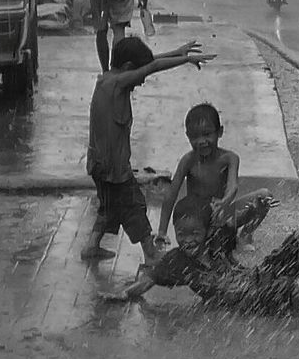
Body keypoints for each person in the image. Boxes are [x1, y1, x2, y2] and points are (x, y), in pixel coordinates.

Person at [115, 170, 299, 316]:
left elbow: (244, 217)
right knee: (298, 311)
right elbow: (147, 281)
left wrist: (257, 207)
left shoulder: (218, 240)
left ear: (207, 231)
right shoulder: (176, 262)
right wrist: (123, 295)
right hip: (246, 304)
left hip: (259, 285)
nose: (187, 240)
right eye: (181, 234)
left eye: (194, 233)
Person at [80, 36, 217, 264]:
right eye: (138, 76)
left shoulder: (106, 80)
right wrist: (185, 59)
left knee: (109, 207)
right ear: (128, 69)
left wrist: (176, 51)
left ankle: (91, 246)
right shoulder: (116, 85)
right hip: (113, 169)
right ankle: (151, 254)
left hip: (99, 165)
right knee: (134, 205)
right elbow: (152, 67)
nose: (141, 82)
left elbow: (149, 63)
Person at [155, 102, 280, 256]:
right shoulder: (188, 161)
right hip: (197, 218)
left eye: (207, 134)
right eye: (195, 137)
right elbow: (171, 194)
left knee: (265, 196)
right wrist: (161, 231)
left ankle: (246, 234)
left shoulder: (229, 158)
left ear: (219, 132)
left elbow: (232, 186)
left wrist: (225, 202)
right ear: (187, 136)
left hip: (222, 212)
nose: (201, 141)